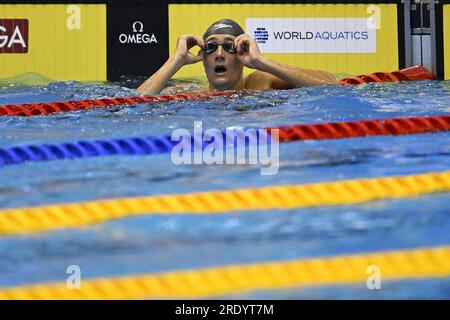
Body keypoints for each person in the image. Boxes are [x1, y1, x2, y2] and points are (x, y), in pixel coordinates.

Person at [137, 19, 338, 95]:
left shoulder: (260, 82)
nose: (219, 54)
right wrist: (176, 61)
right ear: (203, 57)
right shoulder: (185, 93)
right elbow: (130, 105)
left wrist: (262, 62)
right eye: (211, 47)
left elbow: (332, 85)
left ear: (242, 54)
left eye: (229, 46)